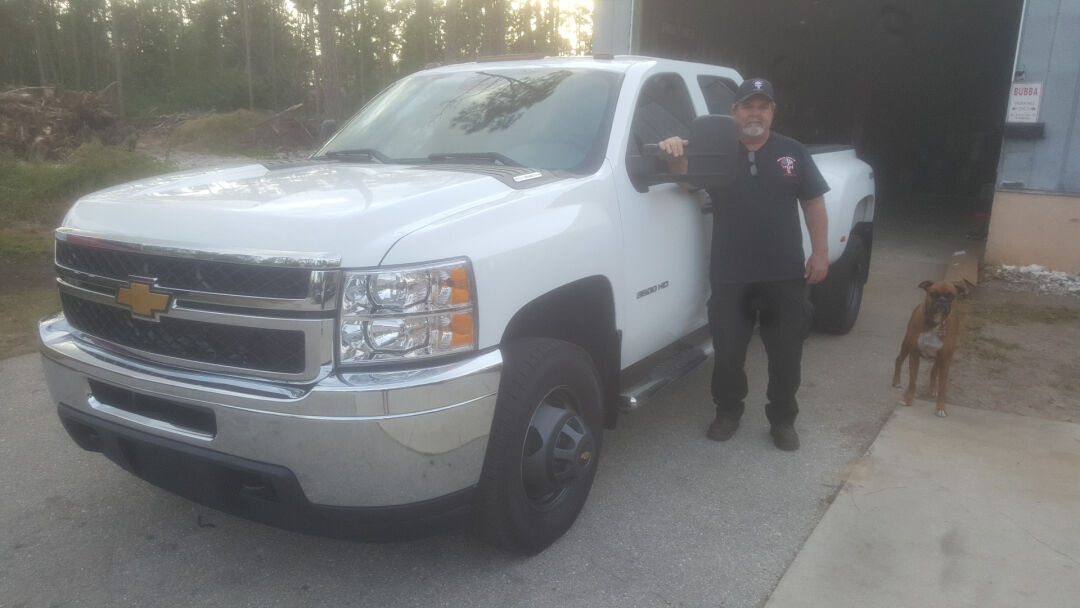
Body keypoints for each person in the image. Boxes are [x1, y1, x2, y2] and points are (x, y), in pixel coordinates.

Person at [658, 78, 829, 451]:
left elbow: (813, 201)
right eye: (748, 106)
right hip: (731, 275)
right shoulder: (715, 149)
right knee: (728, 353)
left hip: (784, 274)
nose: (755, 113)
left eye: (762, 107)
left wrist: (820, 253)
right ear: (734, 112)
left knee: (786, 354)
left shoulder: (792, 151)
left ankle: (783, 420)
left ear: (772, 112)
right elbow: (686, 180)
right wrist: (674, 153)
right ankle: (728, 412)